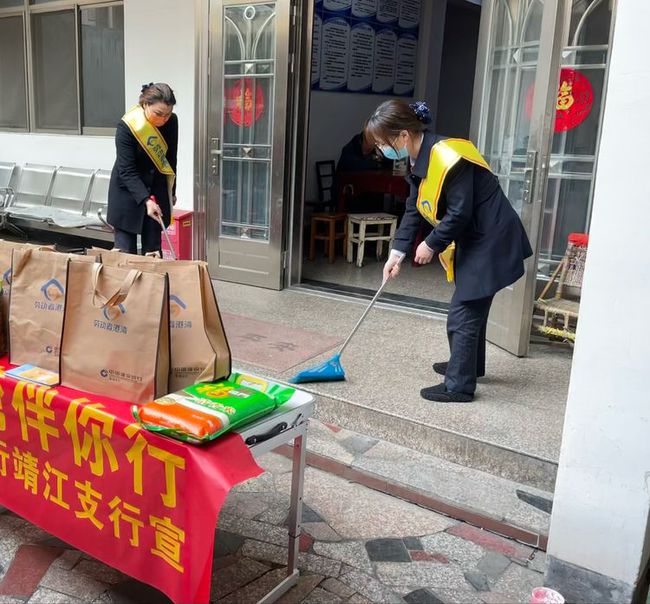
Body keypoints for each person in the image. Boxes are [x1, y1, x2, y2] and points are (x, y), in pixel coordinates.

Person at [367, 100, 533, 403]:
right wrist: (397, 252)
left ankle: (459, 385)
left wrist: (431, 244)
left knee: (464, 311)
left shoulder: (448, 156)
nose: (381, 149)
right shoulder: (420, 159)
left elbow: (460, 212)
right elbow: (413, 208)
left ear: (403, 136)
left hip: (492, 238)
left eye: (383, 142)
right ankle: (468, 365)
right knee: (472, 305)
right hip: (476, 238)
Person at [107, 82, 178, 254]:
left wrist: (171, 192)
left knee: (153, 253)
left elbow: (170, 159)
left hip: (156, 190)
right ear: (145, 105)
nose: (163, 119)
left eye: (167, 114)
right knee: (124, 254)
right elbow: (126, 170)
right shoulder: (127, 126)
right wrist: (146, 201)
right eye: (159, 114)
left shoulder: (172, 122)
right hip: (127, 192)